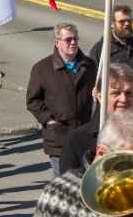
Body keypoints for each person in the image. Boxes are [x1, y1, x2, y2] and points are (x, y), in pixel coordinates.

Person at [59, 63, 133, 199]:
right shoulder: (76, 140)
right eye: (116, 93)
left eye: (129, 93)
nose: (123, 99)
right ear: (99, 95)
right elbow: (66, 191)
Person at [26, 23, 96, 176]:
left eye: (75, 39)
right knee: (65, 182)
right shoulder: (42, 68)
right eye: (68, 39)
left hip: (85, 137)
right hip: (59, 138)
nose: (73, 42)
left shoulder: (90, 66)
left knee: (86, 182)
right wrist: (50, 121)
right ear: (57, 42)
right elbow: (33, 101)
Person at [88, 5, 133, 116]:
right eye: (122, 21)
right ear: (112, 24)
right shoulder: (101, 50)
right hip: (117, 112)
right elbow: (93, 83)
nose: (127, 24)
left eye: (129, 21)